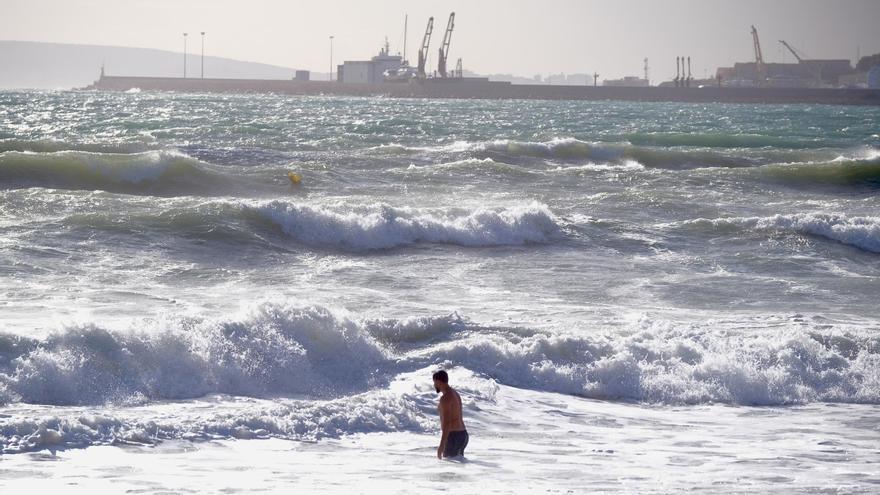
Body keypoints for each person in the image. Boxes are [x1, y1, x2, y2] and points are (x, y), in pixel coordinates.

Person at [433, 369, 468, 459]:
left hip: (453, 436)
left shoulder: (445, 398)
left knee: (448, 471)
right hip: (463, 435)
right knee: (457, 467)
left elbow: (447, 423)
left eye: (434, 382)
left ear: (439, 381)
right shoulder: (455, 393)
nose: (434, 385)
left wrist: (441, 446)